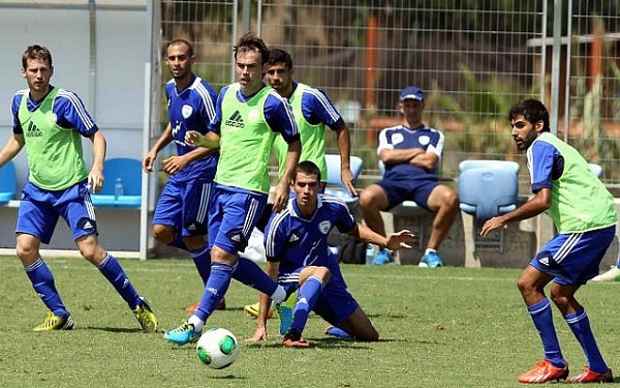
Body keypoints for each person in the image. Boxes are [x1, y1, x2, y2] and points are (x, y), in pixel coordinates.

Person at [0, 45, 158, 332]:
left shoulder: (64, 101)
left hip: (71, 189)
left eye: (44, 70)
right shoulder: (18, 102)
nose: (38, 75)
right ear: (23, 72)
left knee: (89, 250)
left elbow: (97, 135)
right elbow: (18, 139)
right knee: (24, 249)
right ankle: (59, 313)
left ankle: (137, 303)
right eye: (33, 70)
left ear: (51, 71)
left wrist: (97, 166)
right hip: (37, 191)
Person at [164, 33, 302, 345]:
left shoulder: (273, 103)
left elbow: (294, 142)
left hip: (249, 191)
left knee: (222, 254)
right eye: (240, 65)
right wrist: (200, 140)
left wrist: (282, 182)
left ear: (264, 68)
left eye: (252, 66)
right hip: (220, 187)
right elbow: (216, 137)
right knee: (222, 257)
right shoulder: (226, 94)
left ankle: (196, 324)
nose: (245, 72)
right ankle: (283, 295)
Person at [481, 99, 616, 384]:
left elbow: (542, 200)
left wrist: (503, 219)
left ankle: (554, 362)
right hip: (598, 224)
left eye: (520, 125)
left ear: (537, 126)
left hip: (584, 227)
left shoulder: (540, 146)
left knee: (528, 284)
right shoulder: (553, 143)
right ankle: (598, 368)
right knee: (561, 294)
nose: (515, 132)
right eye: (512, 127)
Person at [249, 161, 415, 347]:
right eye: (301, 184)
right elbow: (270, 274)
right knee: (321, 271)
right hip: (289, 281)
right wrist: (261, 324)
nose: (306, 190)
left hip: (323, 280)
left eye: (312, 185)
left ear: (320, 186)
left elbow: (354, 229)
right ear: (292, 185)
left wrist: (385, 242)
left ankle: (329, 318)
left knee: (369, 335)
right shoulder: (279, 222)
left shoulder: (334, 207)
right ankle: (293, 333)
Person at [243, 47, 355, 318]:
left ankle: (275, 301)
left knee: (293, 245)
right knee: (303, 248)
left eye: (281, 72)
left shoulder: (310, 97)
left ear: (291, 72)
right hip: (285, 185)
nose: (275, 77)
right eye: (270, 72)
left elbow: (340, 127)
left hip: (310, 184)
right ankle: (326, 302)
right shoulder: (266, 102)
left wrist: (344, 168)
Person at [142, 39, 222, 309]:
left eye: (182, 58)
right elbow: (175, 126)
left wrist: (186, 156)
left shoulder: (204, 93)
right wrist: (155, 149)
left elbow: (217, 139)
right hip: (179, 172)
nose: (177, 63)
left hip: (201, 172)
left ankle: (215, 297)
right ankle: (212, 259)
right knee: (161, 230)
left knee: (192, 235)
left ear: (192, 59)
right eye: (172, 58)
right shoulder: (169, 88)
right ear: (167, 61)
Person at [359, 85, 458, 266]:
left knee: (450, 198)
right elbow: (386, 156)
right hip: (393, 183)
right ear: (400, 107)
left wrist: (399, 157)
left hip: (423, 183)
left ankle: (430, 253)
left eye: (415, 105)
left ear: (422, 106)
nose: (411, 109)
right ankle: (385, 250)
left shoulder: (435, 135)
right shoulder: (388, 133)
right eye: (408, 105)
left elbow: (429, 162)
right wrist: (417, 151)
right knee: (366, 198)